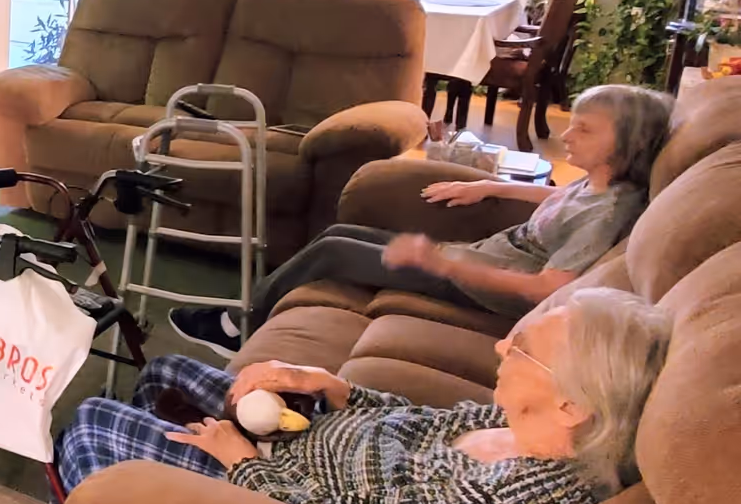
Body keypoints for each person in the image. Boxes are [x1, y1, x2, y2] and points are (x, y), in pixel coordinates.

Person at [56, 289, 672, 504]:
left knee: (90, 424)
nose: (500, 345)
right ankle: (143, 487)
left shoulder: (517, 501)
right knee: (164, 371)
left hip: (270, 494)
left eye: (523, 349)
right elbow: (416, 423)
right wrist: (332, 387)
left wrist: (240, 460)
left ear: (571, 404)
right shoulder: (517, 427)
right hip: (302, 437)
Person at [171, 84, 673, 359]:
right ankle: (246, 314)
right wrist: (490, 187)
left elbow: (547, 288)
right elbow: (557, 197)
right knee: (339, 233)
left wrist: (444, 264)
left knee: (333, 252)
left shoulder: (609, 212)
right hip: (475, 261)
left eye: (584, 130)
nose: (567, 136)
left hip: (479, 285)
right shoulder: (597, 184)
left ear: (626, 144)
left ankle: (238, 327)